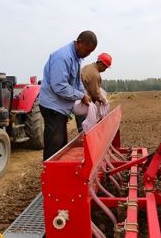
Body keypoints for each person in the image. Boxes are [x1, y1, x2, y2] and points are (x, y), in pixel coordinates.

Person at [38, 30, 97, 160]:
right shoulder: (63, 57)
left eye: (90, 52)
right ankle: (50, 175)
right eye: (87, 50)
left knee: (61, 144)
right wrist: (80, 96)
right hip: (52, 106)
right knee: (54, 144)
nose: (87, 54)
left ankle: (59, 173)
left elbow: (77, 82)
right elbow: (59, 86)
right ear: (79, 42)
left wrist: (84, 94)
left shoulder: (77, 58)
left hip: (61, 106)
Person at [75, 52, 112, 133]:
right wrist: (104, 101)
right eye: (105, 67)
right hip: (83, 103)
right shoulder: (94, 74)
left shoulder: (88, 67)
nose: (105, 70)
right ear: (101, 63)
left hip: (78, 100)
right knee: (85, 131)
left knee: (82, 128)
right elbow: (96, 93)